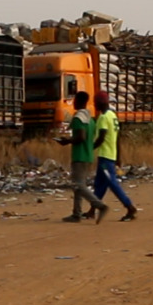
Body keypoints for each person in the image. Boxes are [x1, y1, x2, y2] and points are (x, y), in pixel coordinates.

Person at [55, 91, 108, 224]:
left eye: (75, 100)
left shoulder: (78, 118)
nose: (73, 103)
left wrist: (66, 141)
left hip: (80, 155)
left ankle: (99, 205)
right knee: (79, 185)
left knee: (78, 185)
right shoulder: (90, 119)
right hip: (88, 154)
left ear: (79, 101)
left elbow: (81, 137)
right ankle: (76, 213)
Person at [91, 90, 138, 221]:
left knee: (112, 183)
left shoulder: (103, 118)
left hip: (105, 157)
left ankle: (129, 207)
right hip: (110, 155)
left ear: (100, 103)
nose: (95, 105)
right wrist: (118, 157)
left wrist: (90, 148)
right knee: (100, 183)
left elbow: (101, 138)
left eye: (95, 103)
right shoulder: (113, 115)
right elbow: (117, 138)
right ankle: (92, 209)